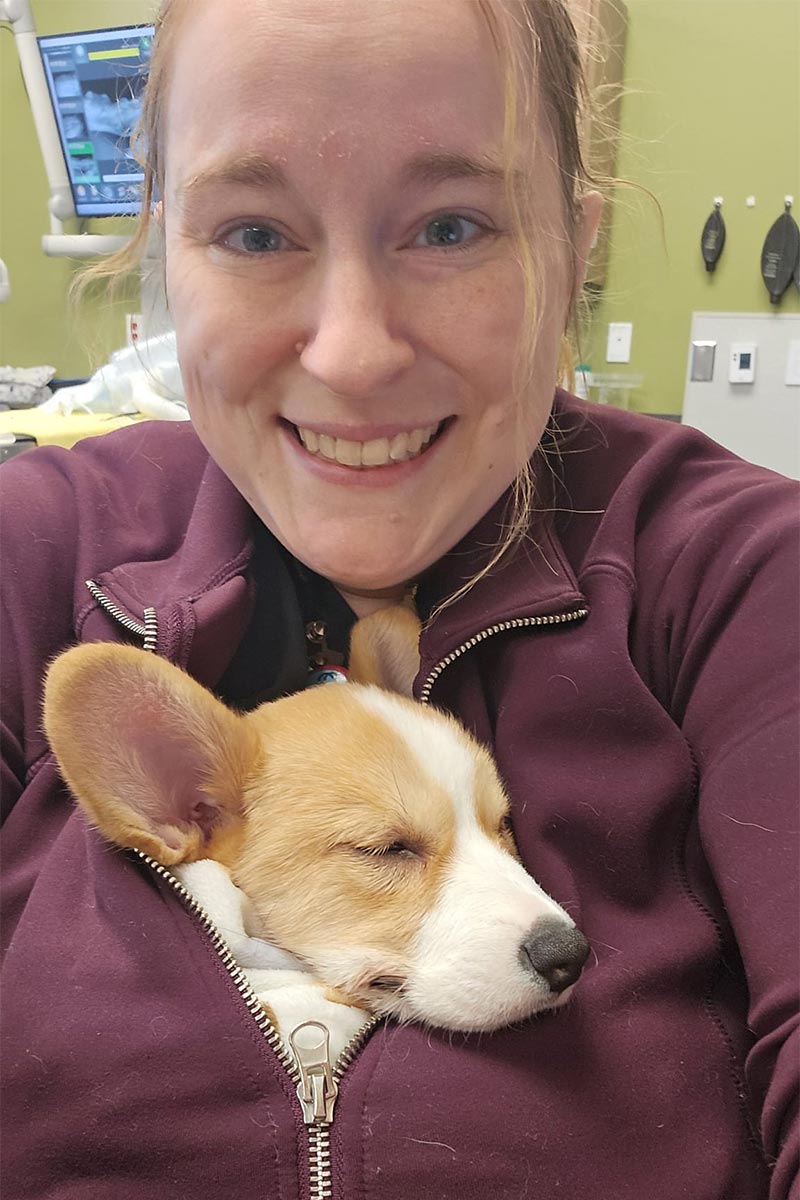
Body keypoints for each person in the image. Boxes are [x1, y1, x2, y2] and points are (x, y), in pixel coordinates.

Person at [1, 1, 797, 1197]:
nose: (353, 354)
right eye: (255, 234)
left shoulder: (741, 574)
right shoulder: (31, 550)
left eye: (449, 224)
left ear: (572, 249)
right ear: (167, 254)